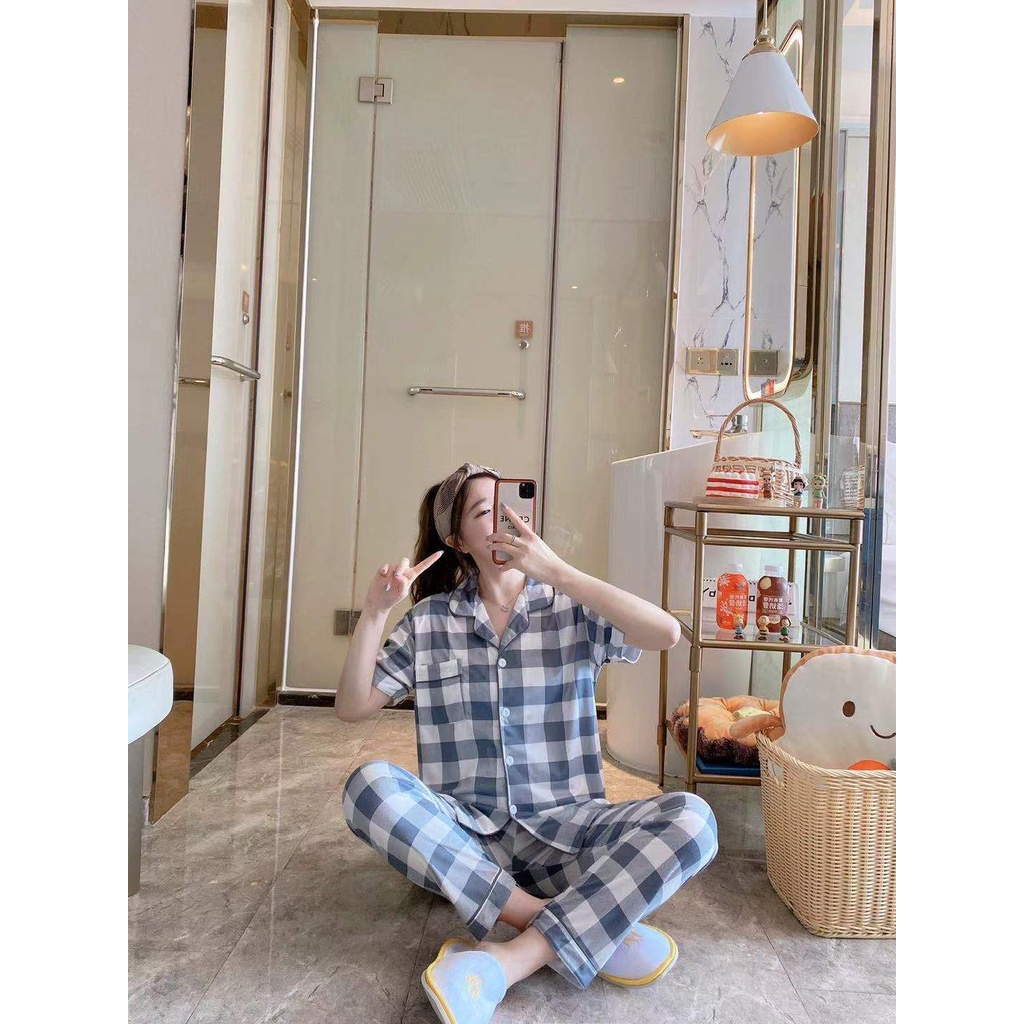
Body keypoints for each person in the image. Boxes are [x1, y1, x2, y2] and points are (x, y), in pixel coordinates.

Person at [337, 462, 719, 1022]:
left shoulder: (571, 606)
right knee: (367, 786)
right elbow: (352, 706)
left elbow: (665, 633)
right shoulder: (428, 622)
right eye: (483, 512)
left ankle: (510, 959)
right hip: (469, 841)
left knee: (694, 820)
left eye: (510, 506)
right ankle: (570, 924)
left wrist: (559, 572)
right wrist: (375, 611)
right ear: (457, 540)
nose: (503, 521)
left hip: (570, 836)